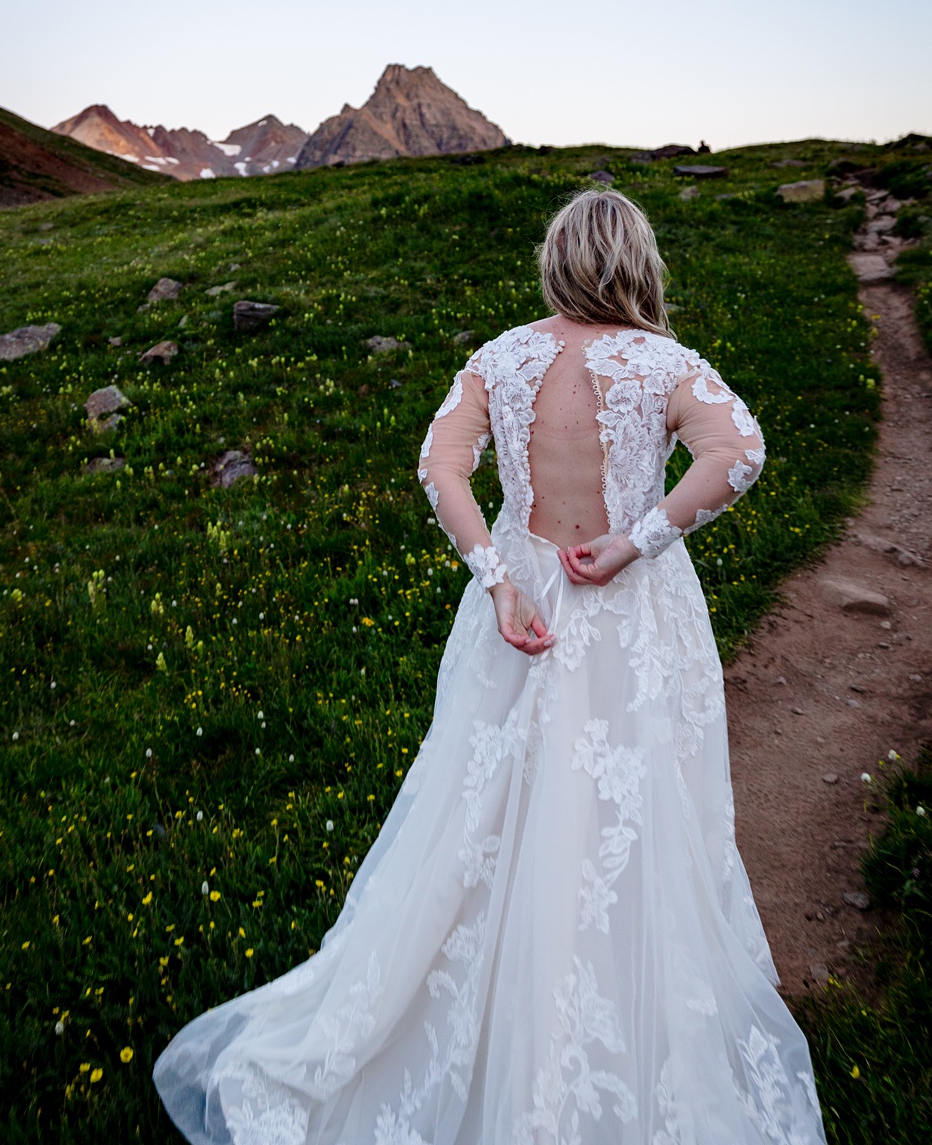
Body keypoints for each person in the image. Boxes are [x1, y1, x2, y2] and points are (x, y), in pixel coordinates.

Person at [154, 188, 826, 1144]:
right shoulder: (663, 362)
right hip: (622, 612)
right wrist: (637, 541)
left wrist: (498, 572)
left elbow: (441, 464)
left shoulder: (501, 357)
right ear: (638, 263)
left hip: (518, 608)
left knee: (484, 796)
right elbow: (739, 451)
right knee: (630, 806)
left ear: (558, 259)